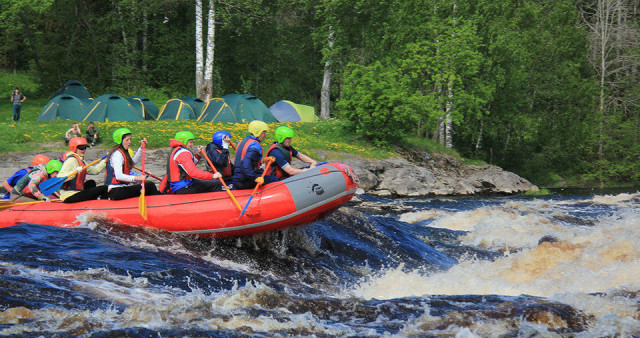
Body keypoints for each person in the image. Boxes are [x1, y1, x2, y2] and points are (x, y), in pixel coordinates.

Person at [106, 127, 160, 200]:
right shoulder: (117, 154)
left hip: (123, 187)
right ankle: (159, 201)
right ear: (120, 141)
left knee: (148, 185)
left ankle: (157, 199)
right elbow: (118, 176)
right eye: (127, 140)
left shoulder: (124, 152)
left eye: (130, 139)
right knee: (150, 185)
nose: (130, 142)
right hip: (115, 190)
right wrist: (137, 178)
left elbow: (133, 162)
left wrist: (141, 148)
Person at [58, 137, 107, 203]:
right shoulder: (71, 160)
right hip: (69, 195)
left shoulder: (81, 160)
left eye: (85, 148)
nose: (83, 150)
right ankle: (103, 205)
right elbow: (59, 177)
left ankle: (92, 204)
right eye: (81, 148)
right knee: (104, 188)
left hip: (77, 192)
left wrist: (105, 161)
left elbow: (95, 170)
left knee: (91, 183)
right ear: (74, 148)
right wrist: (74, 172)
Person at [231, 120, 277, 190]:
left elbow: (248, 159)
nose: (265, 135)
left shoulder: (243, 141)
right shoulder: (255, 145)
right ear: (257, 132)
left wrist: (264, 160)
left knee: (265, 176)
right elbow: (245, 163)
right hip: (245, 180)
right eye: (264, 132)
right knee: (274, 179)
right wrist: (255, 177)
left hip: (238, 178)